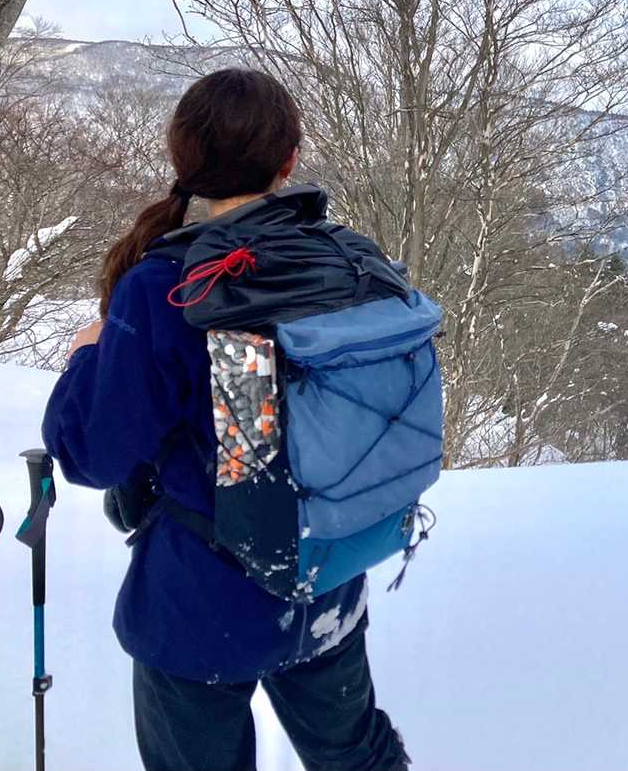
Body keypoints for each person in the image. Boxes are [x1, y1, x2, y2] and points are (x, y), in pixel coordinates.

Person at [42, 69, 410, 771]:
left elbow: (92, 455)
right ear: (289, 161)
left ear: (183, 159)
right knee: (357, 758)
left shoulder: (164, 285)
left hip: (201, 602)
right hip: (327, 573)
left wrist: (87, 357)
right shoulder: (343, 262)